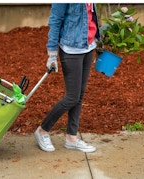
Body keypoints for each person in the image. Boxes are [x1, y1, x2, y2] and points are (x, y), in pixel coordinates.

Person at [34, 3, 101, 153]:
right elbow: (55, 20)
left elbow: (92, 17)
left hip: (88, 46)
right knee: (72, 97)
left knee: (79, 96)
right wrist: (52, 53)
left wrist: (99, 42)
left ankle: (72, 138)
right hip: (71, 49)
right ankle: (42, 130)